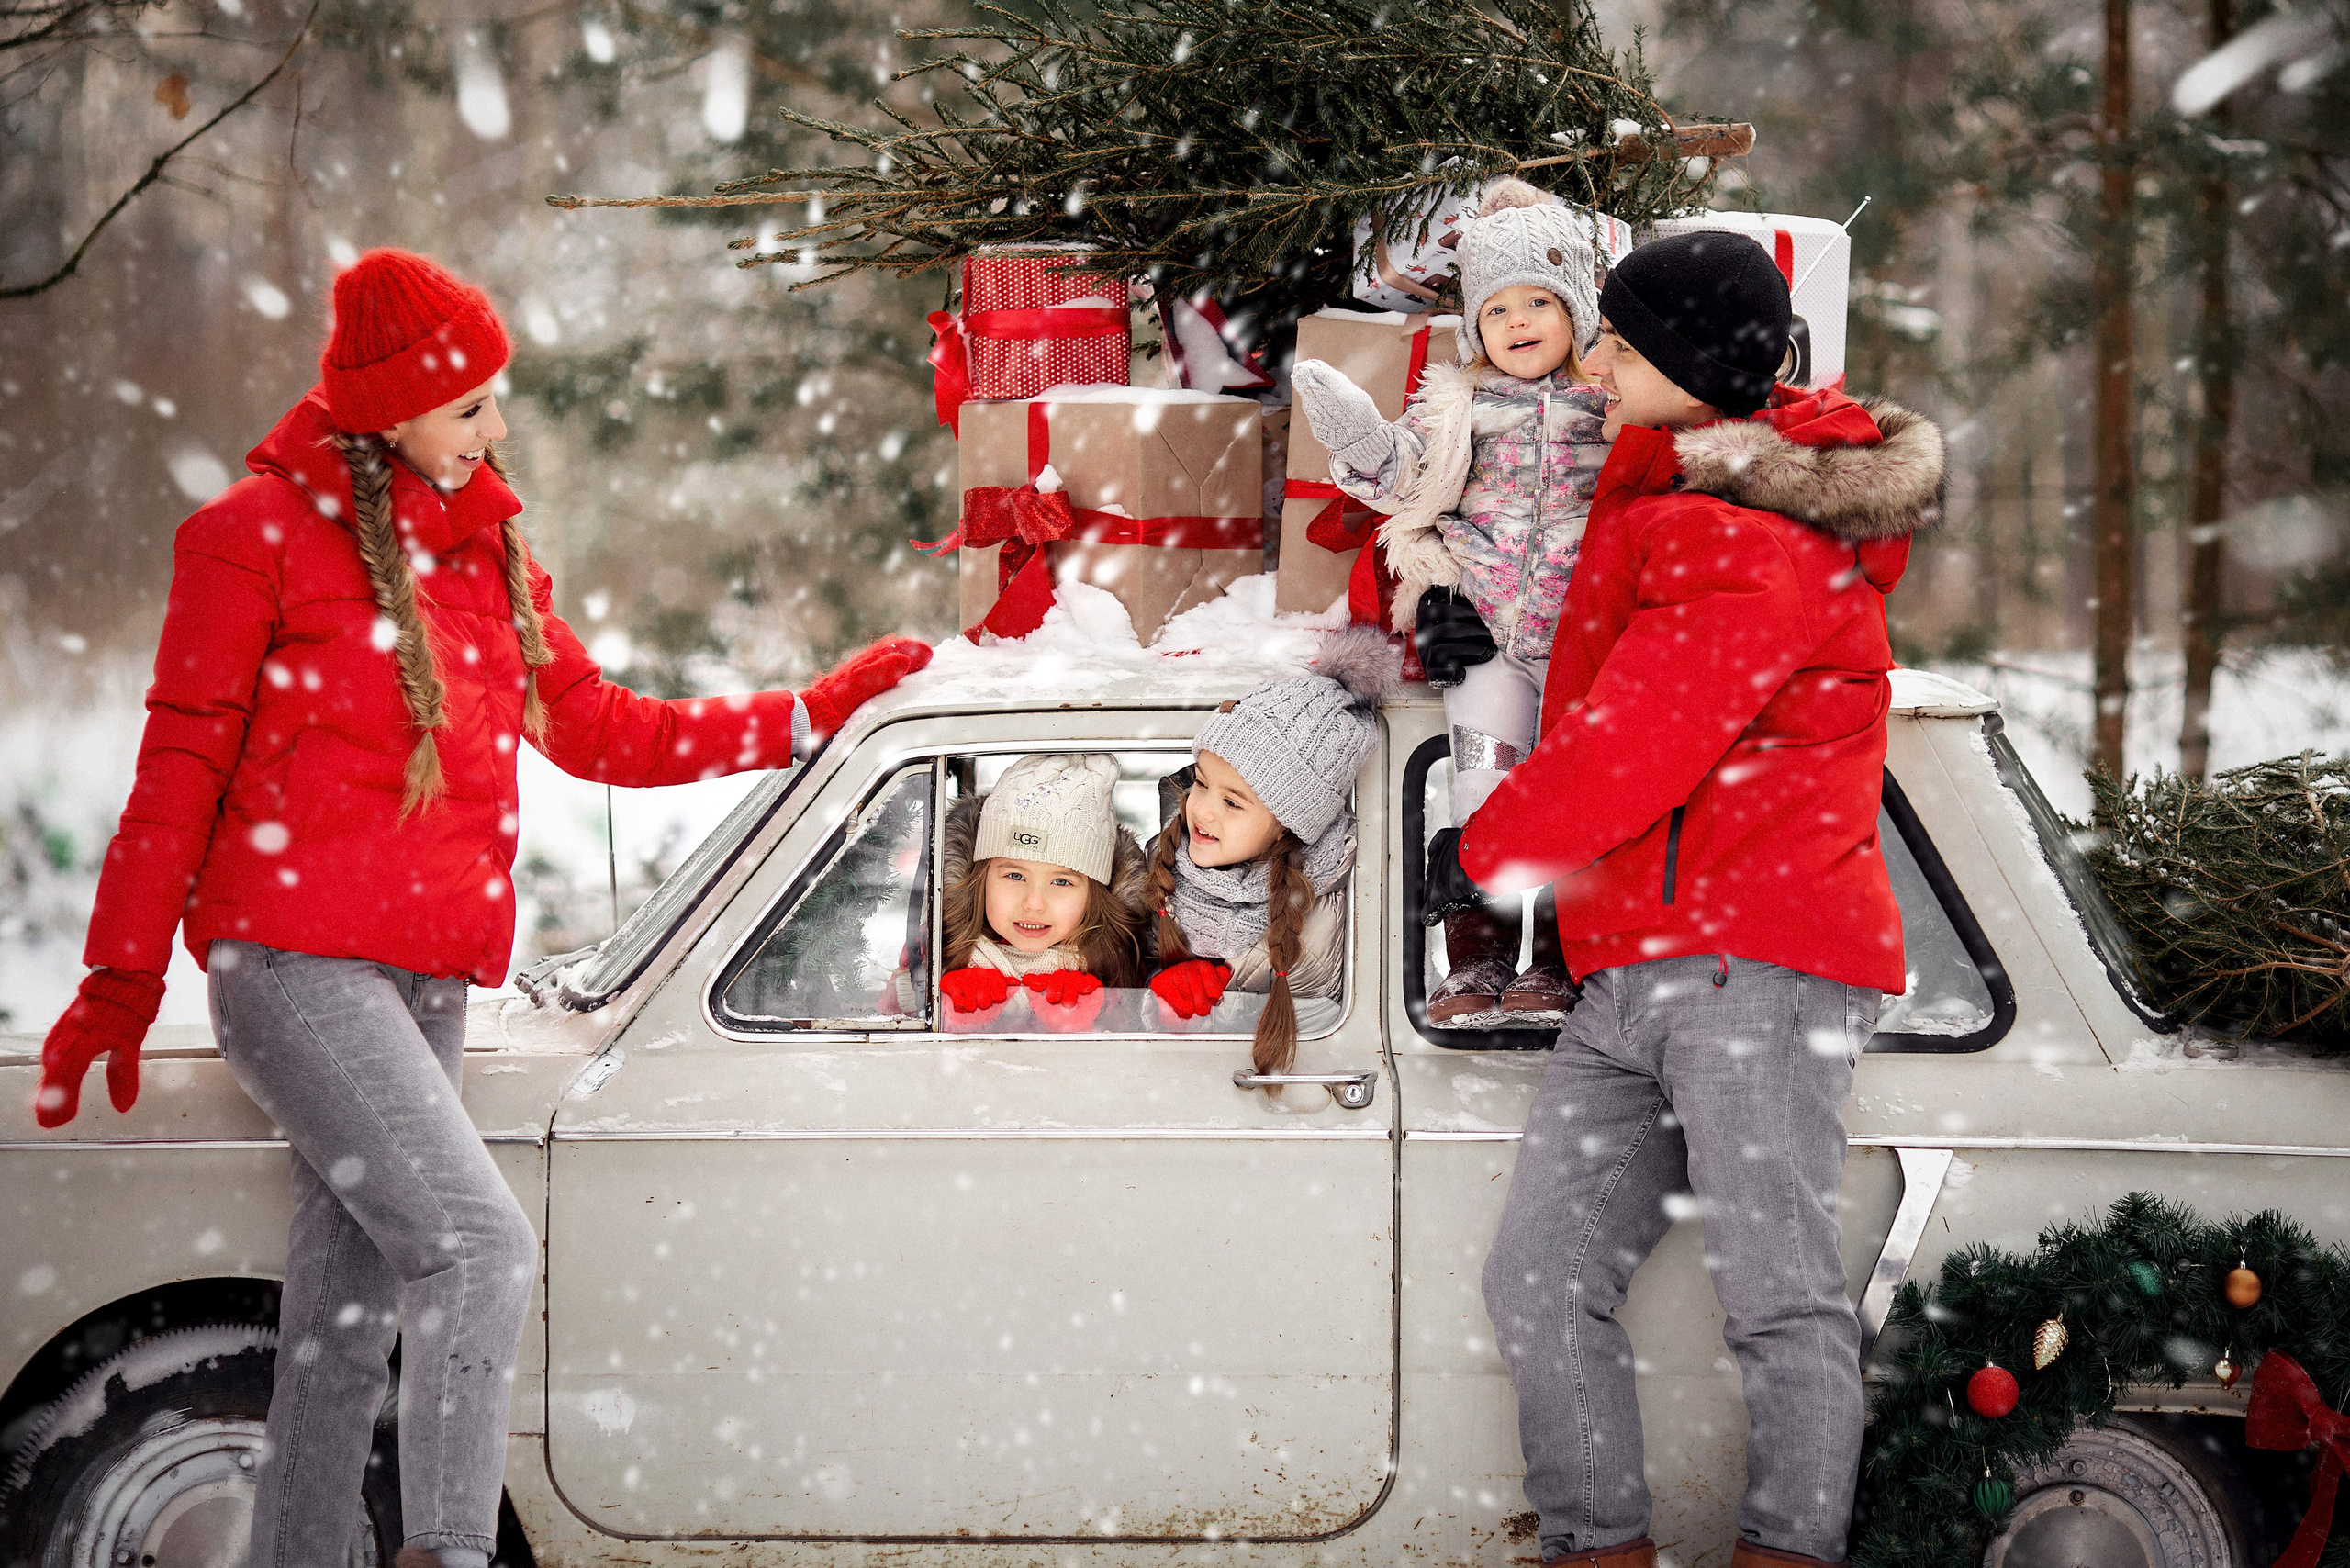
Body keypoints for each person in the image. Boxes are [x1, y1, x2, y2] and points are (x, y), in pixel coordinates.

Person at [30, 248, 932, 1568]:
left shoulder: (484, 549)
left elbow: (596, 724)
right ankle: (449, 1551)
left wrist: (805, 714)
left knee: (343, 1332)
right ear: (391, 408)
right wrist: (117, 984)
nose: (497, 428)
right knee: (477, 1249)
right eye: (472, 406)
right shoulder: (248, 543)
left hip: (425, 981)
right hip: (295, 970)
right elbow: (177, 774)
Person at [1424, 230, 1946, 1568]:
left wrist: (1491, 850)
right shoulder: (1667, 494)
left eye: (1616, 342)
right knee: (1539, 1279)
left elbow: (1632, 743)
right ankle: (1601, 1547)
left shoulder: (1757, 538)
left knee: (1778, 1304)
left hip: (1754, 964)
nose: (1593, 363)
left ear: (1684, 365)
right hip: (1639, 967)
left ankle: (1786, 1554)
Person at [1292, 178, 1612, 1027]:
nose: (1518, 324)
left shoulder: (1611, 402)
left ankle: (1562, 955)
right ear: (1473, 327)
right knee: (1485, 791)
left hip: (1590, 636)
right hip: (1487, 633)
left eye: (1539, 302)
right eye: (1497, 310)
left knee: (1580, 795)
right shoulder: (1460, 406)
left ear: (1578, 312)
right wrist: (1358, 434)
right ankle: (1479, 954)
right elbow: (1406, 479)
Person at [1142, 625, 1399, 1076]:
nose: (1202, 810)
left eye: (1233, 802)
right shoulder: (1158, 871)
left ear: (1289, 824)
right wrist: (1155, 999)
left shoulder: (1319, 913)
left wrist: (1215, 1007)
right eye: (1201, 783)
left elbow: (1317, 1023)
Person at [937, 753, 1148, 1032]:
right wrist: (949, 1013)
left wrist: (1086, 1023)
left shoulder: (1113, 966)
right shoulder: (945, 947)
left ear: (1093, 895)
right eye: (1015, 875)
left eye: (1061, 882)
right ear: (981, 878)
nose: (1034, 903)